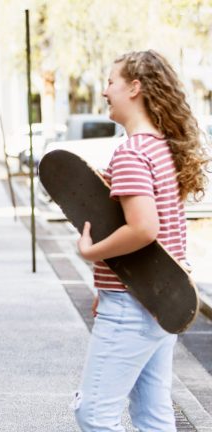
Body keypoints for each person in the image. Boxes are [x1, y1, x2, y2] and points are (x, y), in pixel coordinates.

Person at [73, 50, 210, 431]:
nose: (105, 90)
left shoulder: (132, 152)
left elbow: (144, 229)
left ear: (135, 88)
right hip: (160, 299)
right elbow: (168, 233)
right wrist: (113, 278)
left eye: (111, 82)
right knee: (153, 418)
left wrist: (91, 253)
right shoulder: (161, 148)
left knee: (94, 414)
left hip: (132, 307)